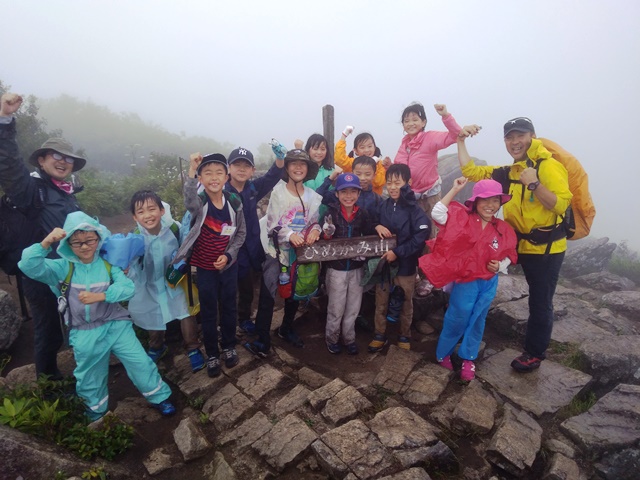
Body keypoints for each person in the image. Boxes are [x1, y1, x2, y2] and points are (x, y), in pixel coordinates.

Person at [18, 211, 175, 419]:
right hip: (84, 332)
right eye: (77, 242)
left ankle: (160, 397)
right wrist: (46, 242)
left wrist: (100, 296)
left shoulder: (108, 264)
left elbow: (127, 288)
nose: (84, 246)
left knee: (140, 361)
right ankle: (96, 414)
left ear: (98, 238)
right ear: (67, 245)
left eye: (89, 240)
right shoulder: (62, 268)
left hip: (116, 325)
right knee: (90, 376)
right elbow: (28, 266)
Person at [458, 117, 572, 372]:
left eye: (519, 136)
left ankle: (534, 353)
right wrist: (461, 139)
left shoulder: (548, 167)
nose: (514, 142)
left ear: (532, 136)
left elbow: (561, 205)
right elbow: (471, 172)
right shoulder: (511, 171)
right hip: (515, 242)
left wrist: (534, 183)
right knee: (480, 274)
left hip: (546, 249)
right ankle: (466, 331)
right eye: (509, 137)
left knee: (540, 301)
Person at [0, 92, 87, 380]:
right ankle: (49, 385)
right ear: (42, 159)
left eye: (69, 159)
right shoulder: (29, 189)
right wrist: (5, 120)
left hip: (67, 272)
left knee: (70, 323)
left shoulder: (65, 192)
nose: (63, 162)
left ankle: (76, 370)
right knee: (48, 329)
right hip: (40, 274)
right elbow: (9, 166)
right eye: (57, 156)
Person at [419, 177, 518, 381]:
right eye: (486, 200)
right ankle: (443, 353)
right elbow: (437, 212)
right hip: (466, 281)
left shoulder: (502, 228)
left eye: (495, 201)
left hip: (489, 281)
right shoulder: (461, 217)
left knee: (478, 318)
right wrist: (454, 189)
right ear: (476, 201)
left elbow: (510, 253)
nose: (491, 206)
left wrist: (501, 266)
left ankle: (468, 358)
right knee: (458, 316)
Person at [170, 153, 247, 378]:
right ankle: (212, 353)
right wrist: (192, 171)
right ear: (201, 179)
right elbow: (189, 199)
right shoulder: (200, 203)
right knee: (210, 311)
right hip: (204, 268)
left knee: (229, 307)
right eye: (208, 173)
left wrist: (229, 256)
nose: (214, 178)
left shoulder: (234, 202)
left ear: (226, 176)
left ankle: (229, 346)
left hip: (227, 267)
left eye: (218, 173)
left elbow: (240, 233)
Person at [125, 190, 204, 372]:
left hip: (175, 284)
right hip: (149, 285)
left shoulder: (174, 230)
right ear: (135, 217)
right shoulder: (135, 238)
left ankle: (192, 347)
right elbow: (132, 267)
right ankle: (157, 346)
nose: (147, 215)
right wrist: (128, 271)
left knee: (185, 313)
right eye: (141, 211)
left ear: (161, 211)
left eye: (152, 209)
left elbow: (187, 246)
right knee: (154, 315)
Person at [253, 149, 322, 352]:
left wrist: (315, 231)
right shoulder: (278, 192)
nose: (298, 167)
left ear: (308, 169)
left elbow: (315, 221)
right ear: (287, 168)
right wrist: (289, 234)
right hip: (277, 251)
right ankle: (262, 337)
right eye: (293, 163)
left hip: (300, 253)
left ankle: (286, 327)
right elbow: (272, 223)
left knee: (294, 293)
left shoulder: (312, 197)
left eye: (303, 164)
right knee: (268, 292)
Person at [368, 164, 431, 352]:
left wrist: (398, 252)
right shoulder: (383, 205)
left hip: (406, 265)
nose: (393, 187)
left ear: (409, 183)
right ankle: (380, 335)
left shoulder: (416, 210)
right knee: (381, 300)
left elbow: (421, 237)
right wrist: (377, 226)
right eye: (389, 183)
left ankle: (404, 335)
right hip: (385, 265)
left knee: (405, 301)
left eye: (398, 182)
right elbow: (370, 221)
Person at [224, 147, 284, 336]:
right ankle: (227, 323)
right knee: (230, 288)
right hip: (229, 249)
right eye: (237, 165)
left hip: (252, 246)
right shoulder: (221, 191)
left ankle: (244, 319)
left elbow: (272, 177)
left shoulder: (252, 188)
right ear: (228, 167)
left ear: (252, 170)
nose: (241, 169)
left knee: (248, 286)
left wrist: (280, 159)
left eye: (246, 166)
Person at [394, 102, 478, 224]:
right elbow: (399, 167)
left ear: (423, 122)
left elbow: (455, 135)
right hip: (412, 195)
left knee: (435, 227)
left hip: (431, 194)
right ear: (403, 125)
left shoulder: (430, 138)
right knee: (416, 228)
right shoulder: (404, 144)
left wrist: (445, 115)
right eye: (406, 121)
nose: (410, 123)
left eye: (415, 120)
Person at [321, 173, 374, 354]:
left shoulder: (364, 214)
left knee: (353, 306)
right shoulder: (330, 213)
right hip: (336, 269)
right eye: (344, 191)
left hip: (357, 268)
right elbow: (323, 239)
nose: (348, 196)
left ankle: (349, 338)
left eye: (353, 192)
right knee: (336, 307)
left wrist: (364, 255)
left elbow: (369, 238)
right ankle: (332, 338)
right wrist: (327, 234)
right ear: (337, 194)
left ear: (359, 194)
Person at [317, 155, 382, 220]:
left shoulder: (377, 199)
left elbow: (378, 219)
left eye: (367, 174)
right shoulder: (342, 193)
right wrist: (330, 179)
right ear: (352, 173)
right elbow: (318, 197)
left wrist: (376, 226)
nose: (362, 178)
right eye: (358, 174)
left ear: (374, 175)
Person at [335, 127, 390, 195]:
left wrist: (372, 164)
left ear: (374, 147)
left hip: (373, 203)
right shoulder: (353, 163)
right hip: (353, 201)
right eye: (362, 147)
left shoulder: (380, 164)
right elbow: (339, 159)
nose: (366, 150)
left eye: (369, 146)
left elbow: (378, 182)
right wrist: (344, 136)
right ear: (355, 151)